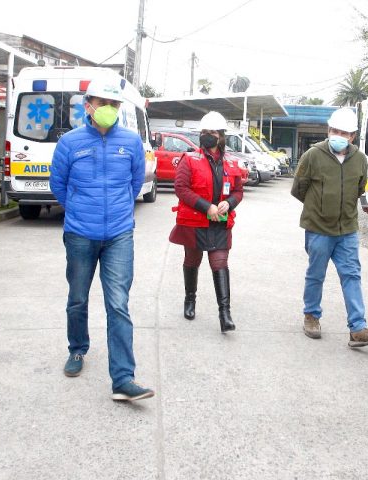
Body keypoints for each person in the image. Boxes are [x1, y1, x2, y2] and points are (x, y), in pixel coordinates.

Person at [49, 75, 154, 402]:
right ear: (88, 106)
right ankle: (77, 349)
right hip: (80, 233)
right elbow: (59, 185)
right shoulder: (70, 143)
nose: (109, 109)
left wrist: (117, 211)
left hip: (120, 235)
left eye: (114, 104)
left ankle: (123, 378)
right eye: (103, 103)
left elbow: (135, 183)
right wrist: (80, 210)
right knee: (78, 298)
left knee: (118, 303)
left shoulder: (132, 142)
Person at [291, 107, 368, 348]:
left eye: (343, 132)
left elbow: (360, 188)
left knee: (352, 275)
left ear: (352, 136)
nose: (337, 135)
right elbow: (298, 189)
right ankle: (311, 316)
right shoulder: (313, 155)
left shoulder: (360, 159)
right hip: (318, 228)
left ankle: (358, 328)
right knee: (316, 274)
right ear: (328, 130)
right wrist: (319, 208)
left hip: (347, 230)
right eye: (334, 130)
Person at [169, 111, 244, 332]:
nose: (207, 136)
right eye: (203, 132)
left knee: (220, 262)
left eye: (211, 132)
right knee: (192, 260)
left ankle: (225, 315)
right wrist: (206, 207)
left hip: (220, 223)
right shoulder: (189, 159)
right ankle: (190, 300)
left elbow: (238, 191)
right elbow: (181, 189)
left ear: (221, 136)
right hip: (194, 222)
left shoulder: (231, 163)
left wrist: (229, 203)